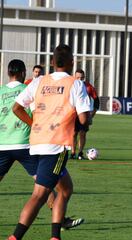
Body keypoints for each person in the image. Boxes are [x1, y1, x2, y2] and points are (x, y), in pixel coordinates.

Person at [8, 44, 90, 240]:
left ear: (52, 62)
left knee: (65, 188)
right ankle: (15, 237)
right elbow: (84, 119)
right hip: (57, 145)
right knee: (40, 195)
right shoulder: (75, 84)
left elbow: (17, 108)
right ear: (72, 62)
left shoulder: (38, 82)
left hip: (36, 143)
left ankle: (55, 236)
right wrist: (82, 124)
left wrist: (35, 123)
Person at [70, 68, 99, 160]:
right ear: (74, 77)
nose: (79, 79)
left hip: (84, 113)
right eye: (77, 77)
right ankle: (72, 153)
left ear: (84, 77)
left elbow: (96, 101)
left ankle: (80, 153)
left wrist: (92, 114)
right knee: (73, 133)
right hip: (73, 114)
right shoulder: (71, 85)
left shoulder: (88, 87)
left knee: (82, 133)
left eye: (81, 78)